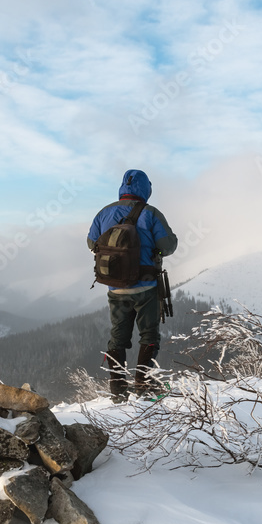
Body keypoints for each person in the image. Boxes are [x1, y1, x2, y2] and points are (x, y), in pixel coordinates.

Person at [87, 169, 178, 402]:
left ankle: (117, 390)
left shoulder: (103, 213)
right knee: (149, 335)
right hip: (146, 287)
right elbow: (168, 246)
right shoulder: (151, 214)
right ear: (145, 189)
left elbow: (91, 243)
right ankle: (143, 384)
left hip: (115, 288)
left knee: (118, 337)